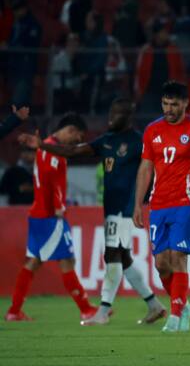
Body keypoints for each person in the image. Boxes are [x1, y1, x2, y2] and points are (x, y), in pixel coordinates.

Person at [19, 99, 166, 325]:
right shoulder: (106, 141)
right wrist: (43, 145)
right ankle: (154, 305)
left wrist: (144, 201)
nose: (110, 117)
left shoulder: (139, 142)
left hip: (125, 208)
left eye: (116, 114)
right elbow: (71, 151)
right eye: (110, 112)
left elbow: (156, 170)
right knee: (124, 258)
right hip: (110, 207)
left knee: (112, 255)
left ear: (128, 117)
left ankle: (102, 312)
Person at [133, 81, 190, 333]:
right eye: (165, 103)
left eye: (174, 104)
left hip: (185, 202)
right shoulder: (152, 130)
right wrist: (138, 203)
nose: (169, 109)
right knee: (161, 264)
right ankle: (184, 306)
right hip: (157, 204)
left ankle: (175, 316)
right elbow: (145, 168)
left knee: (178, 258)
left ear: (185, 103)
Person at [6, 113, 97, 322]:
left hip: (38, 213)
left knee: (34, 262)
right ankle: (86, 309)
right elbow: (50, 179)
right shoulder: (51, 150)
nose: (77, 142)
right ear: (71, 130)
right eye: (77, 138)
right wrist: (58, 207)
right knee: (67, 260)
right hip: (49, 216)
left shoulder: (47, 147)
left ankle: (14, 310)